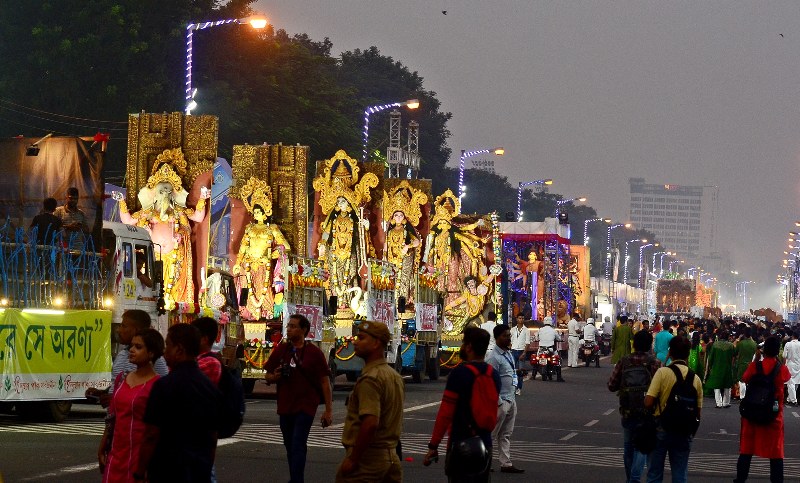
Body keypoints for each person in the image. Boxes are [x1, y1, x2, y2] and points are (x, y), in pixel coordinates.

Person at [136, 324, 224, 482]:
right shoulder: (209, 388)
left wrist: (140, 471)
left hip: (167, 469)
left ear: (179, 350)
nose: (165, 351)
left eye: (168, 345)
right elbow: (213, 436)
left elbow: (151, 434)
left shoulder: (164, 386)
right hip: (199, 469)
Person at [424, 326, 501, 482]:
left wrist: (433, 446)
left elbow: (445, 413)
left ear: (469, 347)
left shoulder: (459, 374)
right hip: (485, 445)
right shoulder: (493, 374)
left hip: (461, 444)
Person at [265, 314, 333, 483]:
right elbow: (267, 375)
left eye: (293, 326)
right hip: (285, 405)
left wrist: (328, 411)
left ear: (304, 330)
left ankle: (297, 480)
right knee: (289, 445)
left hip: (306, 406)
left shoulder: (314, 353)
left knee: (297, 442)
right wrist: (275, 377)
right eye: (288, 326)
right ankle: (295, 477)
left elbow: (325, 382)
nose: (289, 329)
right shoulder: (282, 350)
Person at [336, 320, 404, 482]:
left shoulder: (371, 379)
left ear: (376, 343)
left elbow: (370, 423)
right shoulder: (394, 376)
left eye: (361, 338)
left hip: (368, 461)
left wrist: (353, 459)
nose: (355, 342)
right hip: (391, 457)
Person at [98, 328, 164, 483]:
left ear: (151, 353)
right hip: (116, 454)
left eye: (138, 347)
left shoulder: (158, 385)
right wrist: (103, 445)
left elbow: (157, 429)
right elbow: (112, 417)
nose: (132, 350)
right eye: (132, 346)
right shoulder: (121, 379)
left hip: (140, 456)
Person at [644, 336, 703, 483]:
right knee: (680, 474)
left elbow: (648, 402)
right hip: (684, 431)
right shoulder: (695, 379)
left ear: (670, 352)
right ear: (688, 354)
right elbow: (698, 412)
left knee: (654, 473)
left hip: (661, 428)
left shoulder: (662, 373)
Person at [735, 336, 791, 483]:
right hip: (773, 416)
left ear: (763, 350)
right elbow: (786, 378)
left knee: (746, 450)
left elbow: (745, 378)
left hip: (752, 414)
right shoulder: (781, 369)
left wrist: (756, 359)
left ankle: (740, 479)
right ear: (777, 351)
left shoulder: (754, 366)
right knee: (776, 453)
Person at [233, 177, 290, 320]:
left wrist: (274, 254)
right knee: (247, 290)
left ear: (265, 213)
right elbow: (243, 247)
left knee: (264, 290)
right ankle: (248, 314)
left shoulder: (272, 229)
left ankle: (265, 313)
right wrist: (237, 263)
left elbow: (286, 247)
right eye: (255, 212)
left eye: (259, 212)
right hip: (248, 264)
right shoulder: (249, 228)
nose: (256, 214)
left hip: (264, 265)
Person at [607, 330, 661, 483]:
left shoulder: (624, 361)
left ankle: (630, 478)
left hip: (627, 410)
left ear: (634, 344)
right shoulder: (655, 363)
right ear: (649, 345)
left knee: (628, 447)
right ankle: (634, 479)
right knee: (641, 447)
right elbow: (660, 388)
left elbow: (611, 385)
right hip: (647, 412)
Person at [85, 310, 168, 406]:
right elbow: (118, 386)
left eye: (123, 326)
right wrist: (103, 393)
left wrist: (117, 399)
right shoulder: (122, 355)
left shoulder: (156, 360)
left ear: (136, 330)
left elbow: (163, 394)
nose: (118, 330)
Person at [486, 325, 525, 474]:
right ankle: (485, 463)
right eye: (505, 335)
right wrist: (499, 402)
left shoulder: (508, 353)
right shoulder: (493, 357)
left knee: (506, 434)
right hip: (500, 401)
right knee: (491, 435)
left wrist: (517, 372)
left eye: (509, 335)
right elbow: (489, 382)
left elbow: (506, 372)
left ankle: (506, 463)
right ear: (497, 338)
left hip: (511, 398)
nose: (508, 338)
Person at [706, 330, 736, 408]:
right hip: (727, 368)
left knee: (717, 386)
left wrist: (710, 366)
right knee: (727, 386)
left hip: (717, 368)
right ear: (728, 337)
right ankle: (726, 403)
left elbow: (711, 357)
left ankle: (718, 403)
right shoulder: (731, 345)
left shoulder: (715, 345)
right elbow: (734, 356)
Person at [537, 316, 565, 382]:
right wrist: (560, 339)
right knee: (558, 360)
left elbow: (536, 338)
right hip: (550, 349)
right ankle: (559, 377)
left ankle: (533, 374)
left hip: (541, 349)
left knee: (537, 359)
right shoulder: (553, 330)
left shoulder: (540, 330)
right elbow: (559, 338)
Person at [735, 327, 758, 400]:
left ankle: (742, 396)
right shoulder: (754, 344)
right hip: (751, 365)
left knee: (742, 381)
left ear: (744, 334)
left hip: (741, 364)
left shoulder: (741, 343)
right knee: (749, 381)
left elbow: (735, 353)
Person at [510, 314, 530, 395]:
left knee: (520, 372)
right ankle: (513, 387)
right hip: (513, 351)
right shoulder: (512, 329)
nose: (521, 319)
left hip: (521, 351)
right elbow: (510, 340)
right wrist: (510, 350)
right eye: (520, 318)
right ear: (517, 319)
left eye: (522, 318)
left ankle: (519, 388)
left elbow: (527, 343)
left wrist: (524, 353)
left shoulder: (526, 330)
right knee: (513, 371)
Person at [783, 330, 800, 405]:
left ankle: (793, 400)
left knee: (790, 382)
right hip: (798, 365)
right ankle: (789, 399)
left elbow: (784, 356)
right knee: (796, 382)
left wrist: (784, 364)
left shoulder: (788, 344)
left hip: (790, 364)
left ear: (792, 336)